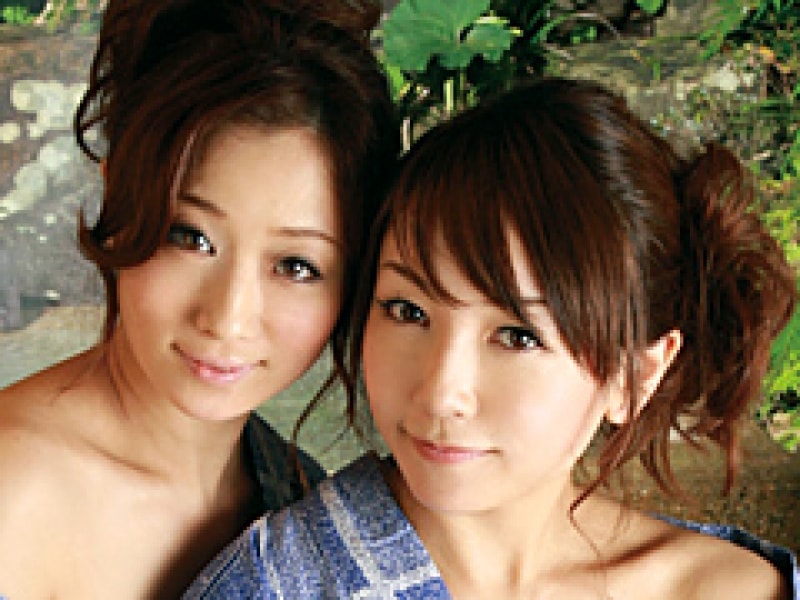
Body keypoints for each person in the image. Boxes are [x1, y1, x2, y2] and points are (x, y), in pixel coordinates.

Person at [185, 77, 798, 599]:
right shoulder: (272, 585)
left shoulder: (740, 590)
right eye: (407, 310)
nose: (441, 392)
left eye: (517, 336)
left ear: (634, 375)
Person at [0, 0, 398, 597]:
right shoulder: (13, 489)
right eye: (190, 237)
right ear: (118, 194)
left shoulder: (301, 498)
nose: (228, 319)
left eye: (295, 266)